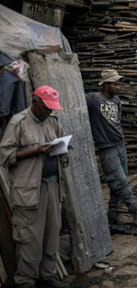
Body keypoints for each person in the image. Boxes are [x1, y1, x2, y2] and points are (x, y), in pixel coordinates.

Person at [0, 86, 70, 288]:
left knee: (51, 234)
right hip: (29, 190)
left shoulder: (52, 121)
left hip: (53, 186)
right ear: (35, 101)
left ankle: (48, 276)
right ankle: (25, 281)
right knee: (30, 238)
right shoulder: (18, 122)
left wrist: (62, 148)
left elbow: (61, 144)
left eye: (52, 108)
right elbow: (5, 155)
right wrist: (36, 151)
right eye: (46, 107)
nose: (49, 111)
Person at [86, 69, 137, 226]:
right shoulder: (93, 99)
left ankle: (113, 213)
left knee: (117, 183)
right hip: (107, 147)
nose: (119, 87)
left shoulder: (116, 100)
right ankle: (135, 211)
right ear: (106, 85)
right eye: (115, 84)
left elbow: (117, 122)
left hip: (120, 144)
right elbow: (75, 104)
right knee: (122, 181)